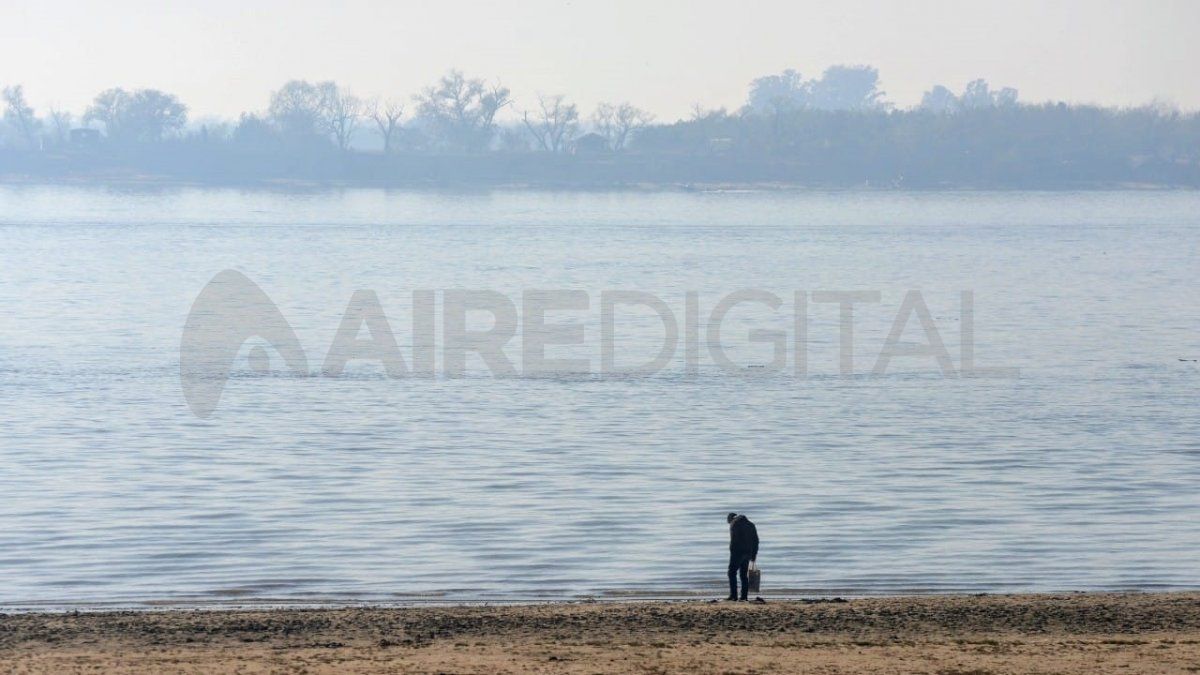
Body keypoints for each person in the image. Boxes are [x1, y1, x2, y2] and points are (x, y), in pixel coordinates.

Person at [726, 512, 759, 601]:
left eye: (728, 521)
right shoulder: (751, 524)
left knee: (731, 573)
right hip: (748, 552)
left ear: (730, 519)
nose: (729, 523)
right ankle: (744, 596)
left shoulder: (734, 524)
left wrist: (732, 552)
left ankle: (733, 595)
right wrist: (753, 555)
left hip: (737, 552)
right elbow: (756, 540)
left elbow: (734, 540)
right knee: (743, 575)